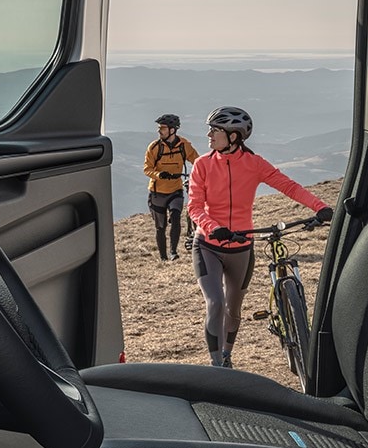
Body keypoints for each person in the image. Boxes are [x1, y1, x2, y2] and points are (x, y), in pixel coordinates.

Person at [188, 105, 334, 368]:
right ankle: (216, 365)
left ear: (233, 136)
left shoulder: (254, 164)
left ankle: (227, 355)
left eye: (215, 130)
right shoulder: (203, 165)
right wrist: (211, 227)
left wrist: (320, 207)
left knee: (233, 309)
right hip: (208, 245)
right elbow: (194, 207)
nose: (209, 135)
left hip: (241, 247)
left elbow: (287, 185)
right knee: (216, 303)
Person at [143, 113, 199, 261]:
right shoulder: (154, 147)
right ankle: (163, 257)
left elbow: (198, 161)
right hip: (157, 193)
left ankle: (173, 252)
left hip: (176, 190)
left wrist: (200, 176)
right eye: (159, 128)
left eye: (162, 128)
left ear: (172, 130)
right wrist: (159, 175)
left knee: (176, 217)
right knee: (160, 227)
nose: (159, 131)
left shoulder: (184, 146)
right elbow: (147, 169)